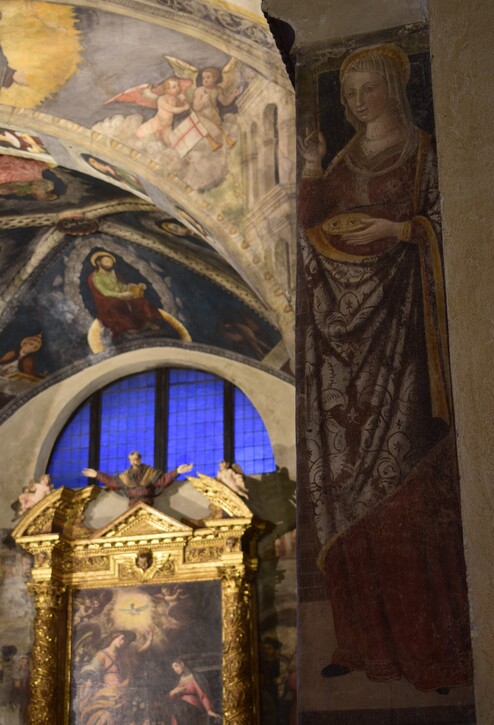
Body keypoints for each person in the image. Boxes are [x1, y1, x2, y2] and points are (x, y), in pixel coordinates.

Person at [299, 44, 472, 692]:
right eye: (350, 93)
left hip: (405, 338)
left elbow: (445, 227)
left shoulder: (426, 151)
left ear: (394, 89)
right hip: (346, 353)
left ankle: (432, 648)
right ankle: (365, 640)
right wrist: (313, 170)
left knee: (409, 496)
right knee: (350, 495)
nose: (355, 103)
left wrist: (396, 233)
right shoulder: (344, 162)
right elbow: (311, 232)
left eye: (368, 89)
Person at [82, 451, 193, 507]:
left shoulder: (149, 472)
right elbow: (112, 483)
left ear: (140, 460)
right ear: (130, 461)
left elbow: (163, 480)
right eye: (132, 460)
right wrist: (97, 474)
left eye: (136, 459)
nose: (134, 462)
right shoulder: (125, 475)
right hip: (132, 507)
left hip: (148, 506)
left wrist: (177, 471)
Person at [76, 630, 136, 724]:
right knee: (105, 716)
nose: (123, 642)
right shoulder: (102, 655)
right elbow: (92, 670)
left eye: (124, 641)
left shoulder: (120, 657)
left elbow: (126, 674)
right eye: (121, 639)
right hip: (106, 693)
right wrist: (88, 687)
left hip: (120, 692)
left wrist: (124, 683)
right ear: (114, 638)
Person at [135, 76, 191, 146]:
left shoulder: (175, 98)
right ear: (167, 90)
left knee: (171, 144)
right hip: (157, 123)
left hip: (167, 126)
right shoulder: (162, 99)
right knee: (140, 134)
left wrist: (185, 101)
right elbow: (172, 109)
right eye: (174, 87)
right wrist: (184, 108)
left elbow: (183, 104)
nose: (177, 88)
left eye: (178, 86)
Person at [168, 659, 221, 724]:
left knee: (180, 708)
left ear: (182, 664)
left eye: (176, 666)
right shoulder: (178, 680)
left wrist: (209, 710)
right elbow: (172, 697)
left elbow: (203, 695)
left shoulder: (195, 677)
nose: (175, 670)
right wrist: (173, 692)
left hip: (192, 708)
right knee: (175, 709)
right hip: (179, 709)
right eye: (173, 668)